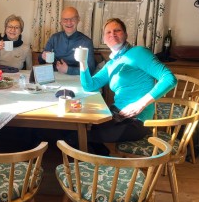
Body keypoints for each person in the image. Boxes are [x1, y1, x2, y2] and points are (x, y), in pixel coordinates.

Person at [75, 18, 177, 155]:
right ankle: (104, 162)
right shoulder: (111, 64)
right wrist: (82, 62)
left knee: (78, 138)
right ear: (104, 39)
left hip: (136, 121)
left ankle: (104, 164)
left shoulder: (139, 53)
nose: (113, 34)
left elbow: (169, 78)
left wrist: (140, 104)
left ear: (126, 35)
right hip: (117, 115)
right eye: (108, 32)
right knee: (81, 132)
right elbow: (90, 85)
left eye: (117, 30)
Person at [38, 6, 95, 75]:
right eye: (65, 19)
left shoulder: (86, 42)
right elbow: (40, 61)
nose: (69, 23)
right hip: (55, 77)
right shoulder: (54, 38)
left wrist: (68, 70)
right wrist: (43, 56)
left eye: (73, 19)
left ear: (78, 20)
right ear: (61, 22)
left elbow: (90, 69)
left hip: (76, 79)